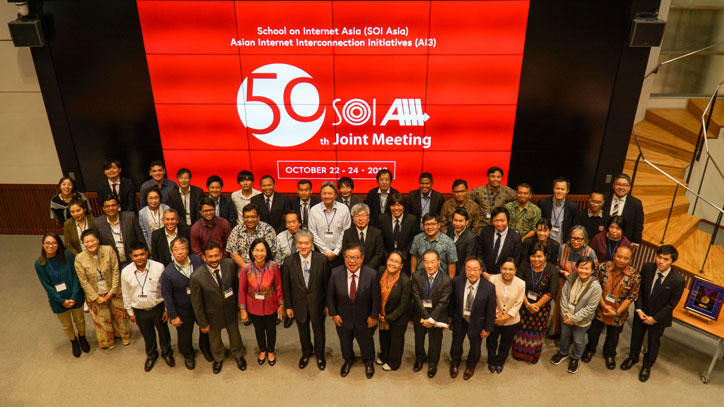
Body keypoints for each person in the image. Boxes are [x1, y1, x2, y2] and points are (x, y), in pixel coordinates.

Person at [621, 245, 685, 382]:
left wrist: (654, 319)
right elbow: (639, 290)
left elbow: (671, 305)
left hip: (658, 318)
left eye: (665, 259)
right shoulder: (648, 268)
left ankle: (647, 366)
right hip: (642, 312)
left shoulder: (678, 280)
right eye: (659, 257)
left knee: (653, 342)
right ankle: (632, 357)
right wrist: (638, 309)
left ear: (672, 261)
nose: (661, 261)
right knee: (636, 336)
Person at [189, 242, 246, 374]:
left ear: (221, 254)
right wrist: (202, 322)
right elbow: (197, 303)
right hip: (212, 314)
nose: (214, 259)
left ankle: (238, 354)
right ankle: (218, 357)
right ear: (204, 257)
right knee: (214, 338)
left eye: (216, 255)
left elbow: (236, 286)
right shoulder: (196, 277)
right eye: (210, 257)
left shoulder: (230, 264)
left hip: (230, 309)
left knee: (235, 334)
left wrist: (239, 307)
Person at [582, 246, 640, 370]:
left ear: (630, 259)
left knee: (613, 337)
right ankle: (590, 349)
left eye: (626, 258)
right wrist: (603, 306)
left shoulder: (634, 276)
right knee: (593, 332)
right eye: (619, 256)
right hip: (599, 308)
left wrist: (617, 312)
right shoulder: (602, 268)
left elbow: (631, 297)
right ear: (614, 255)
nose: (621, 260)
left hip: (618, 313)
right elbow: (595, 287)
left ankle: (609, 354)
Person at [328, 245, 380, 378]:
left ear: (362, 258)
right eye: (348, 257)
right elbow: (330, 296)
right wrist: (334, 314)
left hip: (364, 319)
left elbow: (376, 298)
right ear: (344, 258)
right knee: (345, 342)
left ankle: (368, 362)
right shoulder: (335, 273)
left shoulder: (372, 274)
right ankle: (348, 360)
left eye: (356, 258)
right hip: (343, 318)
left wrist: (373, 316)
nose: (352, 261)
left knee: (366, 343)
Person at [282, 230, 331, 370]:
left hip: (318, 303)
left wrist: (328, 304)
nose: (303, 246)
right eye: (300, 243)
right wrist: (288, 306)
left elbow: (328, 284)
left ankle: (319, 354)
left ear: (312, 243)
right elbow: (286, 286)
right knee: (302, 331)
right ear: (296, 244)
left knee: (319, 330)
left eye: (306, 243)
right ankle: (306, 353)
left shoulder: (322, 260)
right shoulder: (289, 262)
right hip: (299, 304)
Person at [160, 237, 211, 370]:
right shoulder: (167, 273)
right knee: (184, 336)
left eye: (183, 249)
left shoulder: (197, 260)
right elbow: (167, 296)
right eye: (176, 249)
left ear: (187, 250)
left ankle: (205, 347)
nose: (180, 252)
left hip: (200, 305)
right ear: (171, 251)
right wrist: (173, 316)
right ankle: (188, 354)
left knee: (206, 329)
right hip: (183, 309)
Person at [121, 243, 174, 372]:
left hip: (158, 307)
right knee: (147, 334)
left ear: (147, 254)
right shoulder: (126, 272)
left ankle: (167, 353)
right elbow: (126, 293)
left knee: (163, 332)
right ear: (131, 256)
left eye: (142, 254)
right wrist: (130, 312)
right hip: (139, 310)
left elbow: (166, 290)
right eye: (136, 255)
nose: (139, 258)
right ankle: (151, 355)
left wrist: (167, 309)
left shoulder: (158, 267)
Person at [74, 229, 130, 348]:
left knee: (120, 315)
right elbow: (83, 281)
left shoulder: (108, 250)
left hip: (113, 289)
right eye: (87, 242)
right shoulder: (79, 258)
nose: (90, 244)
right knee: (102, 319)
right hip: (95, 293)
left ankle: (123, 336)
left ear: (98, 240)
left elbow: (115, 270)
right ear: (83, 243)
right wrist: (95, 297)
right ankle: (107, 341)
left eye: (92, 240)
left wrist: (113, 289)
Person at [35, 233, 89, 357]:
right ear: (43, 245)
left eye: (54, 243)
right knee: (66, 324)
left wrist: (74, 296)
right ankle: (74, 341)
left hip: (75, 295)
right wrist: (61, 300)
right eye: (47, 243)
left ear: (59, 244)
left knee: (79, 320)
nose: (50, 246)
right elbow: (47, 286)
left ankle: (82, 337)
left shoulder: (68, 255)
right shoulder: (40, 264)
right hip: (58, 301)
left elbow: (76, 276)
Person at [550, 256, 602, 374]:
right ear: (577, 268)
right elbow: (564, 296)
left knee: (579, 340)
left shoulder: (596, 287)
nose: (583, 271)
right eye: (581, 268)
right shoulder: (571, 278)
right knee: (564, 336)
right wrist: (565, 314)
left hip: (582, 320)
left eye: (586, 269)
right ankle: (563, 352)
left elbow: (590, 308)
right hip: (566, 316)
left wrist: (573, 319)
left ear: (592, 271)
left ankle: (575, 358)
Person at [511, 242, 559, 363]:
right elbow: (518, 286)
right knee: (520, 329)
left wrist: (536, 305)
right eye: (533, 256)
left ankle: (532, 356)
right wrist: (527, 305)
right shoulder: (524, 266)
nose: (536, 259)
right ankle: (518, 353)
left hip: (541, 308)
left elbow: (551, 292)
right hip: (523, 304)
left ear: (545, 256)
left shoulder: (552, 270)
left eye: (539, 256)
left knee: (536, 331)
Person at [239, 239, 284, 367]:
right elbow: (241, 290)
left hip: (271, 305)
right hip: (253, 306)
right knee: (258, 330)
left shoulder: (273, 266)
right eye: (257, 250)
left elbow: (278, 286)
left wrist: (281, 305)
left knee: (271, 330)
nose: (259, 254)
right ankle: (262, 350)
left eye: (262, 250)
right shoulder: (246, 268)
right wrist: (243, 310)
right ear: (252, 252)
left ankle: (271, 351)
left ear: (267, 252)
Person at [449, 257, 495, 380]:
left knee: (475, 346)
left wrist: (487, 328)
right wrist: (450, 318)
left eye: (475, 269)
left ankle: (470, 366)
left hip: (477, 322)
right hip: (460, 319)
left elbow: (491, 310)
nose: (472, 273)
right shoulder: (457, 281)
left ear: (481, 270)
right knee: (456, 343)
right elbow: (452, 302)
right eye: (468, 269)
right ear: (465, 270)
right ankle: (455, 363)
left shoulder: (489, 287)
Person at [411, 250, 452, 378]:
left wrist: (432, 319)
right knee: (419, 338)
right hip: (420, 314)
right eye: (426, 262)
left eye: (433, 262)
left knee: (435, 341)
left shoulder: (446, 280)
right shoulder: (416, 276)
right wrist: (425, 316)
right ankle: (419, 358)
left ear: (439, 262)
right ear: (423, 263)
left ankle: (433, 363)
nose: (429, 265)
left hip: (438, 316)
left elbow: (443, 302)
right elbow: (416, 297)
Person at [551, 226, 598, 336]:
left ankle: (574, 334)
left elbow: (595, 271)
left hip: (582, 284)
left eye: (579, 239)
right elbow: (556, 265)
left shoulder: (590, 252)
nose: (576, 241)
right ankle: (559, 332)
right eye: (573, 238)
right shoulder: (563, 248)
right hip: (564, 280)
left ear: (584, 239)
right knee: (561, 306)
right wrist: (563, 272)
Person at [486, 258, 525, 374]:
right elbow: (490, 299)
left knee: (505, 343)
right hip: (494, 318)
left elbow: (518, 302)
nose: (507, 272)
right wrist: (496, 316)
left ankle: (500, 362)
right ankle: (492, 361)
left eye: (511, 269)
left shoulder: (521, 283)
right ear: (500, 269)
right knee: (491, 341)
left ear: (515, 270)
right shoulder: (492, 279)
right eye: (504, 269)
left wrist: (506, 317)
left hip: (511, 320)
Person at [377, 251, 411, 371]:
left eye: (396, 262)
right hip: (382, 313)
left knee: (396, 340)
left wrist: (389, 317)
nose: (392, 263)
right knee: (384, 337)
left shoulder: (405, 281)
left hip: (398, 316)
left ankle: (394, 362)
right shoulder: (381, 271)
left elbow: (404, 305)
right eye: (391, 260)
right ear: (387, 261)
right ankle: (384, 356)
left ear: (401, 266)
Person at [308, 181, 351, 268]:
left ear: (335, 195)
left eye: (330, 193)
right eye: (324, 193)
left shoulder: (344, 209)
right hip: (319, 253)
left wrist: (335, 252)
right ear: (320, 195)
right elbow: (312, 233)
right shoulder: (314, 210)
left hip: (340, 254)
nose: (327, 196)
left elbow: (346, 231)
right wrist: (326, 251)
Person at [94, 195, 146, 267]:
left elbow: (141, 239)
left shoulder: (130, 217)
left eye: (113, 205)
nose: (111, 208)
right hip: (113, 264)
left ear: (118, 206)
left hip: (134, 261)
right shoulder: (97, 223)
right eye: (107, 206)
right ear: (103, 208)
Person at [376, 192, 418, 275]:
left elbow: (413, 240)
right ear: (389, 206)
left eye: (399, 205)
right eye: (393, 205)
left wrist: (402, 256)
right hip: (386, 260)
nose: (396, 208)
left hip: (405, 261)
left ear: (404, 206)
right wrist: (389, 257)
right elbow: (380, 240)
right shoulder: (382, 219)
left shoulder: (411, 219)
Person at [477, 207, 522, 277]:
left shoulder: (516, 238)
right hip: (485, 275)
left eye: (502, 220)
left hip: (504, 276)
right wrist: (484, 272)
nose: (499, 224)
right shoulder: (485, 232)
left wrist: (502, 275)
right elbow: (479, 253)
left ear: (508, 220)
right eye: (496, 220)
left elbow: (515, 261)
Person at [409, 214, 458, 278]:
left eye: (433, 224)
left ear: (439, 225)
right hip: (420, 277)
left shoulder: (448, 242)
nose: (430, 227)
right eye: (427, 224)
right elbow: (414, 257)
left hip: (441, 279)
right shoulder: (418, 238)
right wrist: (413, 274)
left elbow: (451, 263)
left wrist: (450, 281)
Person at [342, 203, 385, 272]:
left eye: (363, 215)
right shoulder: (347, 233)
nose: (360, 219)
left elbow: (379, 254)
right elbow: (345, 252)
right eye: (357, 216)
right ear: (353, 219)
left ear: (368, 218)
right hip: (352, 268)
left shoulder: (376, 233)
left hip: (372, 269)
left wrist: (368, 269)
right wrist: (355, 266)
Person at [603, 174, 644, 244]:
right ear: (613, 185)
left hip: (623, 242)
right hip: (603, 239)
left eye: (625, 185)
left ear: (629, 187)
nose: (621, 187)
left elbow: (638, 226)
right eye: (618, 184)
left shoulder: (636, 204)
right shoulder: (604, 198)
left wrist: (635, 242)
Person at [537, 177, 578, 244]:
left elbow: (574, 227)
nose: (559, 192)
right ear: (553, 189)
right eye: (557, 188)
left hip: (562, 242)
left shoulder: (572, 206)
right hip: (545, 241)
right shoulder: (543, 203)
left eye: (562, 189)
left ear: (567, 191)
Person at [446, 207, 478, 277]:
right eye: (455, 220)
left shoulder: (471, 238)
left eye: (461, 221)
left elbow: (467, 262)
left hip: (460, 274)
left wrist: (459, 279)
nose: (457, 224)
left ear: (467, 222)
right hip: (447, 270)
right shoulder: (450, 228)